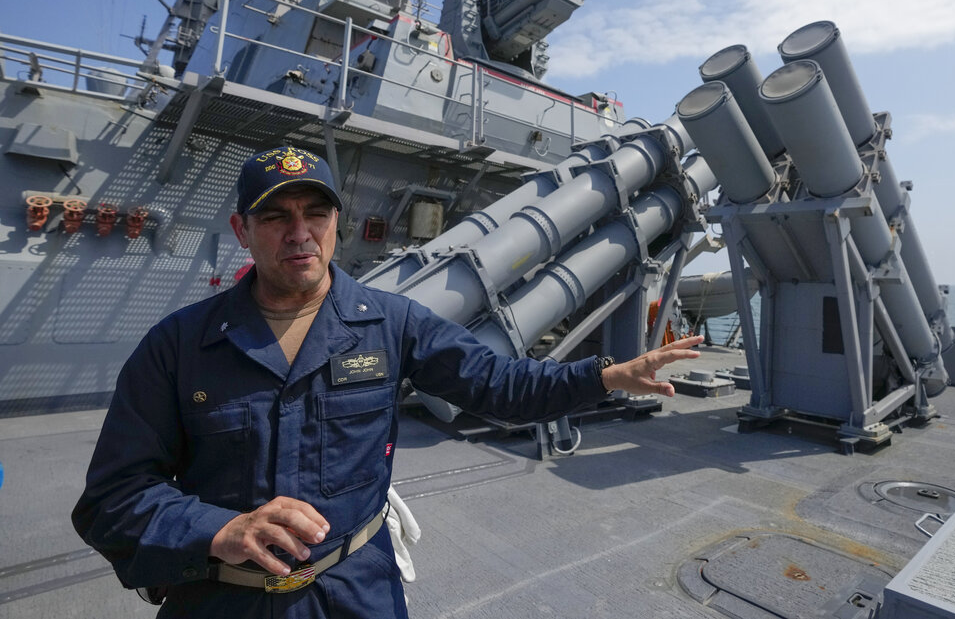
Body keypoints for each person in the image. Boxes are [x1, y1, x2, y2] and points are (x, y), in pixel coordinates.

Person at [72, 146, 703, 618]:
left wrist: (606, 375)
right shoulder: (179, 345)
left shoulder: (391, 324)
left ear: (337, 225)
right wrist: (216, 529)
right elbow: (112, 498)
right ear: (243, 230)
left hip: (357, 597)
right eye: (276, 217)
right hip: (222, 600)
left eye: (316, 213)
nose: (300, 232)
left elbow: (501, 385)